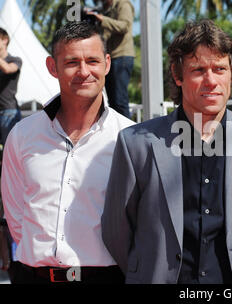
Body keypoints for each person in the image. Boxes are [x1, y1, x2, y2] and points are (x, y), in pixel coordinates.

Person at [101, 20, 232, 284]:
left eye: (220, 69)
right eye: (198, 70)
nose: (211, 80)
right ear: (178, 75)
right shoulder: (135, 143)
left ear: (231, 73)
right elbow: (117, 232)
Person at [1, 21, 134, 284]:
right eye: (72, 62)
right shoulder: (22, 135)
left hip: (107, 278)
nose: (84, 71)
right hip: (33, 276)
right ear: (53, 67)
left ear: (107, 64)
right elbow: (16, 215)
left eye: (93, 61)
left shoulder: (130, 138)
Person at [87, 0, 135, 118]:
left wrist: (102, 19)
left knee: (119, 100)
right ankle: (117, 133)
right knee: (112, 102)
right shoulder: (104, 9)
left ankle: (126, 133)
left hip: (122, 56)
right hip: (109, 57)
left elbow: (125, 26)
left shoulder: (123, 4)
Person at [0, 27, 22, 283]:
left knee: (11, 174)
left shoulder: (14, 60)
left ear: (5, 40)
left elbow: (7, 70)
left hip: (8, 117)